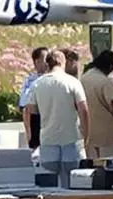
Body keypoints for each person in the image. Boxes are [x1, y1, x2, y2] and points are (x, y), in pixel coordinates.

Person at [28, 48, 89, 185]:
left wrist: (33, 140)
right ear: (63, 63)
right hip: (71, 139)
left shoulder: (37, 84)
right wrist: (86, 134)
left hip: (48, 140)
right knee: (71, 182)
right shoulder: (73, 82)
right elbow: (83, 110)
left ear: (47, 64)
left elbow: (32, 112)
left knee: (51, 184)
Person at [80, 49, 113, 165]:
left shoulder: (84, 78)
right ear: (110, 66)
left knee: (92, 166)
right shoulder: (104, 82)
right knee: (106, 167)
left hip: (88, 132)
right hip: (106, 136)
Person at [19, 46, 49, 150]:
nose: (48, 62)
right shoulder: (31, 82)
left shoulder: (54, 79)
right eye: (46, 59)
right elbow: (25, 106)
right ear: (37, 62)